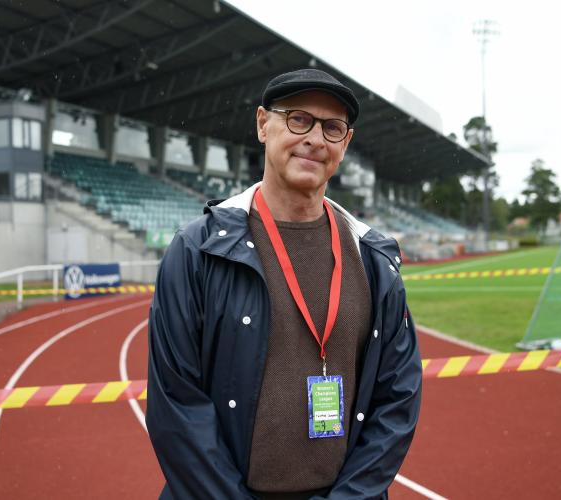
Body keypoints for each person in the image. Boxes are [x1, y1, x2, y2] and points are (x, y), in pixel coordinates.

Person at [147, 68, 422, 499]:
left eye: (333, 128)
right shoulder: (197, 250)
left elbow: (398, 397)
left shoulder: (374, 258)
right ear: (262, 124)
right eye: (298, 119)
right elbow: (177, 405)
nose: (315, 138)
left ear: (345, 144)